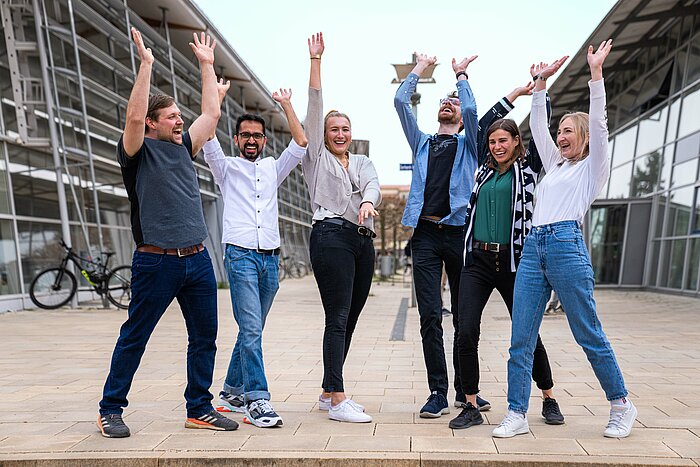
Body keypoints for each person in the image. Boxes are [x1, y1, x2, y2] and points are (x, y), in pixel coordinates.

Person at [493, 40, 638, 439]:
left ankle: (621, 404)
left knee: (587, 332)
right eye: (560, 132)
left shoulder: (593, 167)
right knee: (520, 338)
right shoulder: (555, 165)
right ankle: (517, 413)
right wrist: (539, 86)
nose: (560, 137)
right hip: (533, 248)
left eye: (569, 132)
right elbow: (537, 127)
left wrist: (595, 75)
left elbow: (601, 121)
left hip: (565, 247)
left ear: (586, 138)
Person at [97, 28, 237, 438]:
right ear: (155, 124)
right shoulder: (136, 153)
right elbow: (134, 117)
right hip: (155, 261)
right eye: (172, 116)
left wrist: (207, 66)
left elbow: (210, 115)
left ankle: (199, 407)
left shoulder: (183, 147)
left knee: (204, 339)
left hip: (196, 260)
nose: (180, 119)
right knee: (135, 336)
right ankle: (110, 408)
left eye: (180, 115)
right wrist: (146, 65)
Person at [450, 84, 565, 429]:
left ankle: (548, 396)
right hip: (478, 262)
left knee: (527, 333)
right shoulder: (483, 170)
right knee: (465, 330)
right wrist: (511, 94)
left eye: (504, 140)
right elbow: (483, 124)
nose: (497, 146)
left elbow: (542, 126)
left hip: (516, 264)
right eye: (493, 142)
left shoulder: (528, 169)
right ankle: (470, 403)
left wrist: (539, 89)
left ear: (516, 142)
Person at [202, 84, 307, 428]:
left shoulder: (274, 169)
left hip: (270, 259)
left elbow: (301, 143)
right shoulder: (225, 167)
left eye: (257, 136)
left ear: (264, 140)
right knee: (250, 330)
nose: (251, 140)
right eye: (245, 135)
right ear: (236, 139)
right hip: (241, 257)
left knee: (254, 329)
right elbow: (206, 129)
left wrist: (287, 105)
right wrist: (215, 97)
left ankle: (232, 389)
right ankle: (256, 400)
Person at [395, 52, 488, 418]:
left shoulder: (470, 145)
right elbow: (401, 100)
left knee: (464, 318)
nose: (448, 105)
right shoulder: (421, 142)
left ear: (461, 117)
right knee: (430, 316)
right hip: (425, 235)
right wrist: (419, 67)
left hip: (458, 233)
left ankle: (468, 391)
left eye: (454, 103)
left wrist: (460, 76)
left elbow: (474, 112)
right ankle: (438, 391)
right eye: (444, 101)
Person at [304, 32, 381, 423]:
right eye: (333, 129)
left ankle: (326, 389)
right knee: (336, 315)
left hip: (361, 240)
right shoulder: (316, 157)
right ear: (325, 134)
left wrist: (368, 201)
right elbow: (315, 108)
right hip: (330, 235)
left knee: (350, 316)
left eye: (344, 129)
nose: (339, 134)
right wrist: (316, 62)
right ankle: (338, 400)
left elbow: (372, 185)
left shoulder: (363, 161)